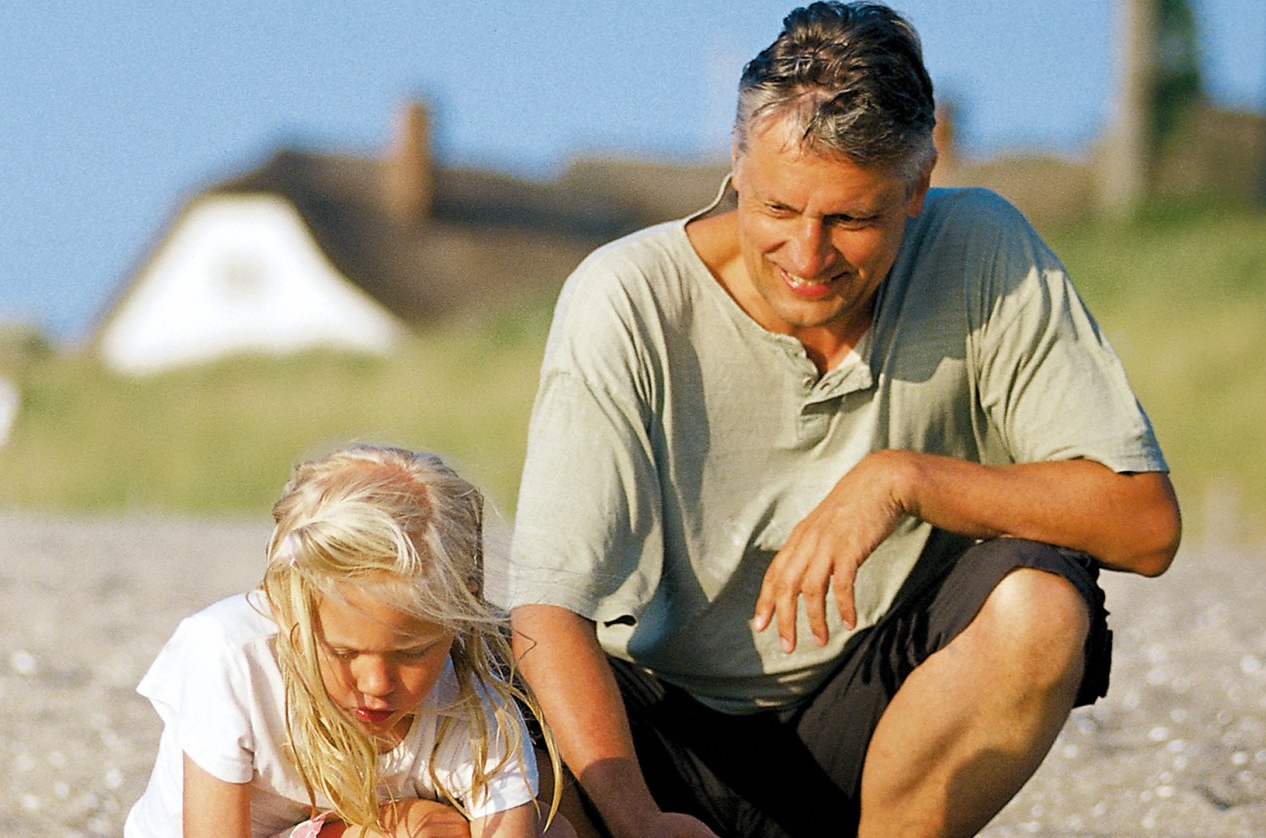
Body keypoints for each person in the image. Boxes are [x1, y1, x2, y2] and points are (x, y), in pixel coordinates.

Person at [504, 3, 1182, 837]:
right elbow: (546, 610)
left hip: (870, 732)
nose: (809, 257)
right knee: (472, 699)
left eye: (852, 219)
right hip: (660, 740)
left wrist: (906, 480)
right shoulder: (626, 298)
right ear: (736, 163)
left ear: (918, 190)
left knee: (1041, 602)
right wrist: (638, 820)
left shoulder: (982, 250)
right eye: (780, 211)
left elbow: (1144, 525)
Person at [125, 444, 571, 838]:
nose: (376, 683)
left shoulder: (471, 702)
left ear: (457, 616)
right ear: (285, 605)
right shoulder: (230, 653)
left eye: (412, 652)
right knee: (417, 831)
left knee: (553, 830)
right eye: (343, 652)